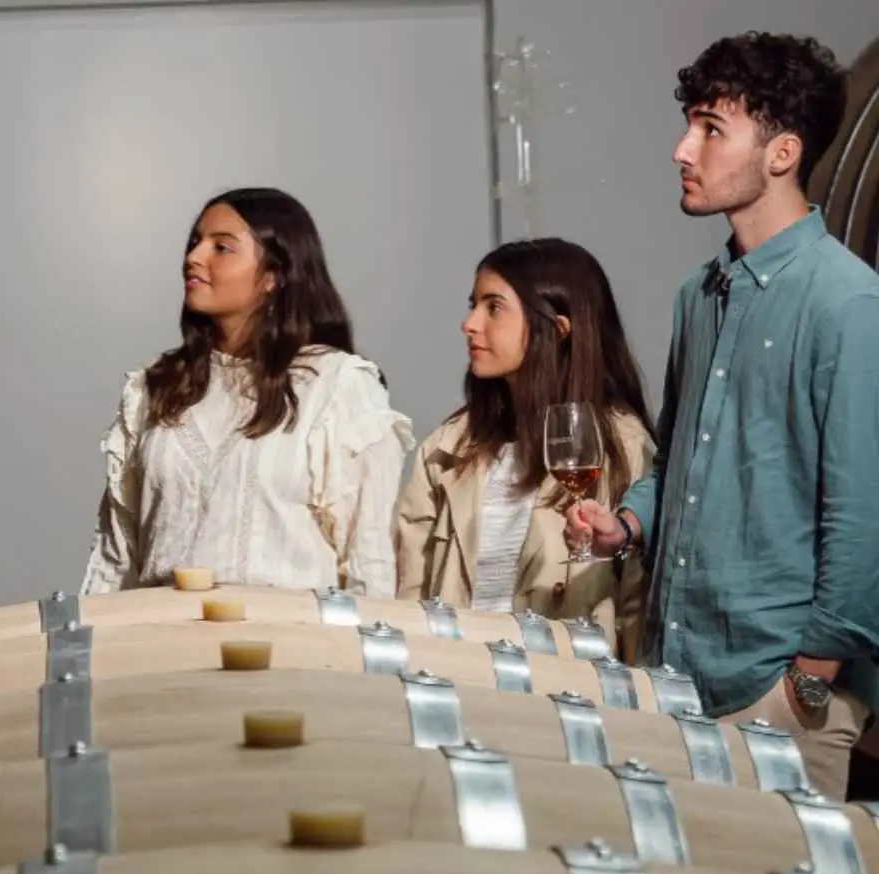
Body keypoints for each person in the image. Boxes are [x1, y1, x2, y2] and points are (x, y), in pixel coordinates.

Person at [566, 32, 879, 799]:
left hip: (778, 691)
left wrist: (809, 680)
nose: (683, 149)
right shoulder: (698, 295)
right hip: (675, 675)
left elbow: (864, 515)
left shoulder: (849, 303)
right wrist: (627, 524)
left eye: (711, 128)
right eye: (690, 125)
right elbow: (681, 459)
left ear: (782, 153)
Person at [80, 187, 413, 596]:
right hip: (160, 630)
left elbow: (369, 562)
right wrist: (92, 630)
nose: (193, 257)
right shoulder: (155, 387)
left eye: (221, 247)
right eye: (194, 242)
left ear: (273, 276)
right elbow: (116, 557)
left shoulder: (337, 386)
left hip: (291, 633)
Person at [396, 238, 656, 660]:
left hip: (567, 690)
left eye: (494, 307)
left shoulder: (620, 447)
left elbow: (636, 612)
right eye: (474, 305)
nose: (470, 323)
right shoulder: (447, 449)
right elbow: (409, 597)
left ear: (558, 328)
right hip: (458, 679)